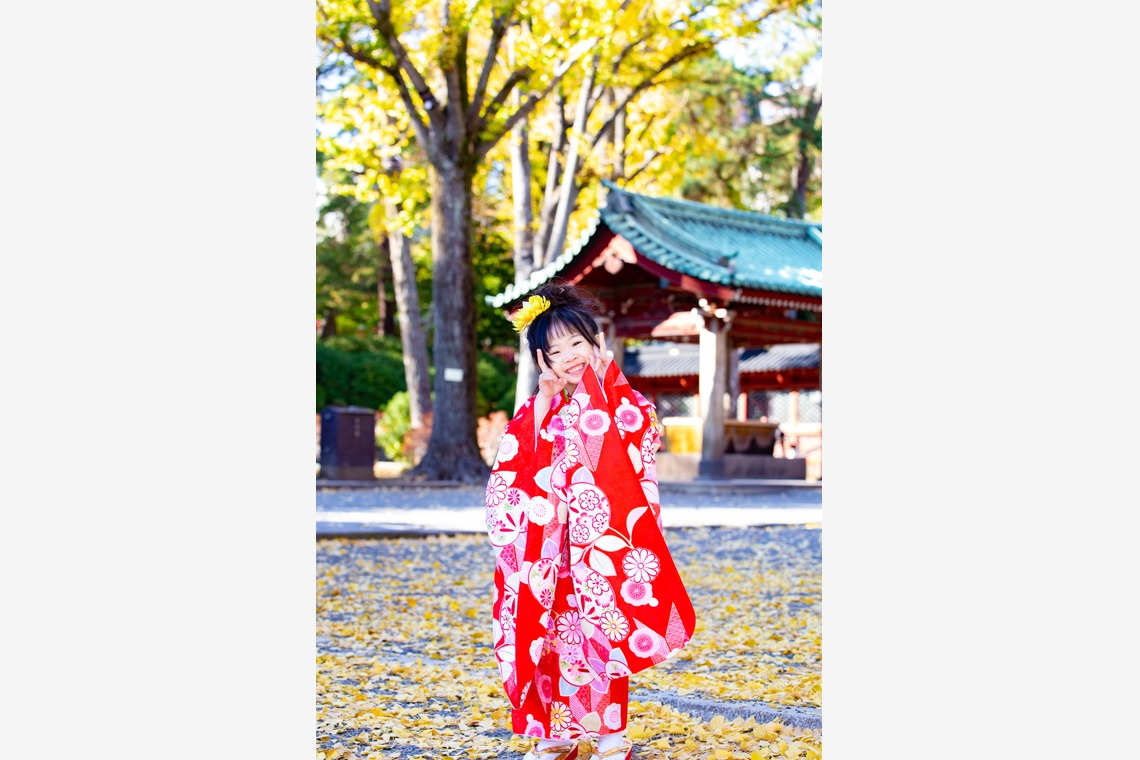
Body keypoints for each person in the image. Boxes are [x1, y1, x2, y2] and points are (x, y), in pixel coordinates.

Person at [485, 283, 697, 760]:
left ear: (595, 341)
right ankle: (556, 735)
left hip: (599, 550)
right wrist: (543, 399)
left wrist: (604, 389)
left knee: (603, 636)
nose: (568, 356)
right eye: (554, 351)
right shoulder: (538, 408)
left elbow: (641, 441)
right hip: (548, 555)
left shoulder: (621, 400)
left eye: (576, 343)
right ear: (542, 360)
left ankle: (609, 735)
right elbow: (513, 470)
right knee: (551, 638)